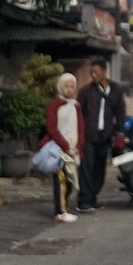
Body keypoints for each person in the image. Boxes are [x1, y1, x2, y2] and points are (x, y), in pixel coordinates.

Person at [77, 57, 126, 210]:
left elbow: (120, 113)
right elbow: (78, 114)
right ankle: (84, 201)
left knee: (99, 169)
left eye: (96, 72)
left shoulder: (116, 90)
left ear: (104, 72)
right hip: (89, 136)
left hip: (105, 136)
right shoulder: (85, 91)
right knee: (86, 168)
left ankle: (93, 198)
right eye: (91, 72)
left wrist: (120, 131)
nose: (93, 75)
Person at [45, 72, 81, 219]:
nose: (69, 89)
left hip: (73, 150)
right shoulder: (54, 105)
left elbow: (81, 128)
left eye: (72, 86)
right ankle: (60, 212)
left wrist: (79, 146)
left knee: (70, 182)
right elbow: (51, 127)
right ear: (61, 87)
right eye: (66, 86)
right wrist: (64, 145)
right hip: (59, 149)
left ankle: (63, 207)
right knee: (60, 180)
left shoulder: (76, 106)